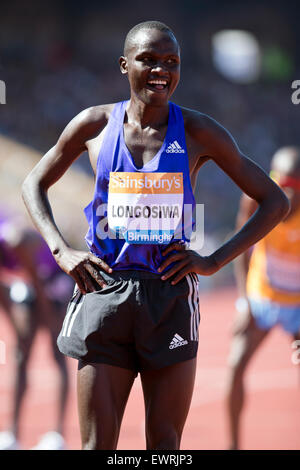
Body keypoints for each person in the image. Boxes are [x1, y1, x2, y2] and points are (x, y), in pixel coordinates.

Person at [21, 21, 289, 450]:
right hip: (103, 289)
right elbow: (34, 182)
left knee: (164, 446)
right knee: (97, 446)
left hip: (169, 297)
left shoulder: (200, 131)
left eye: (171, 62)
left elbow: (275, 201)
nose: (161, 69)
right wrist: (60, 249)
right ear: (125, 65)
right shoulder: (94, 125)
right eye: (149, 60)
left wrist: (213, 260)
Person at [227, 146, 300, 450]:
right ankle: (233, 447)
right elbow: (240, 248)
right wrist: (244, 302)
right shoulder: (257, 201)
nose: (284, 193)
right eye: (278, 182)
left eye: (292, 186)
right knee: (235, 365)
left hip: (297, 306)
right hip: (262, 298)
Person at [0, 211, 73, 450]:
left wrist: (50, 317)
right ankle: (11, 435)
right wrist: (14, 325)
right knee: (21, 356)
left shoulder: (15, 239)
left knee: (56, 352)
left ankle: (58, 435)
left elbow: (37, 282)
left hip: (54, 280)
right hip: (28, 284)